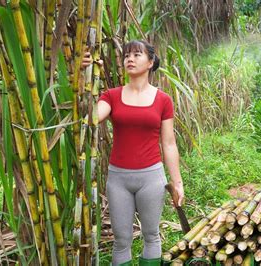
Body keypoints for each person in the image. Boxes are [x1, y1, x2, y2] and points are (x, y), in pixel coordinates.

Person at [95, 40, 185, 265]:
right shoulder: (112, 96)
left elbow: (169, 143)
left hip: (151, 177)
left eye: (137, 54)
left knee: (151, 235)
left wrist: (177, 182)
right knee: (121, 240)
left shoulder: (163, 100)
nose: (130, 59)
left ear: (150, 62)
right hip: (118, 179)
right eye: (126, 55)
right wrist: (87, 77)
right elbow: (92, 117)